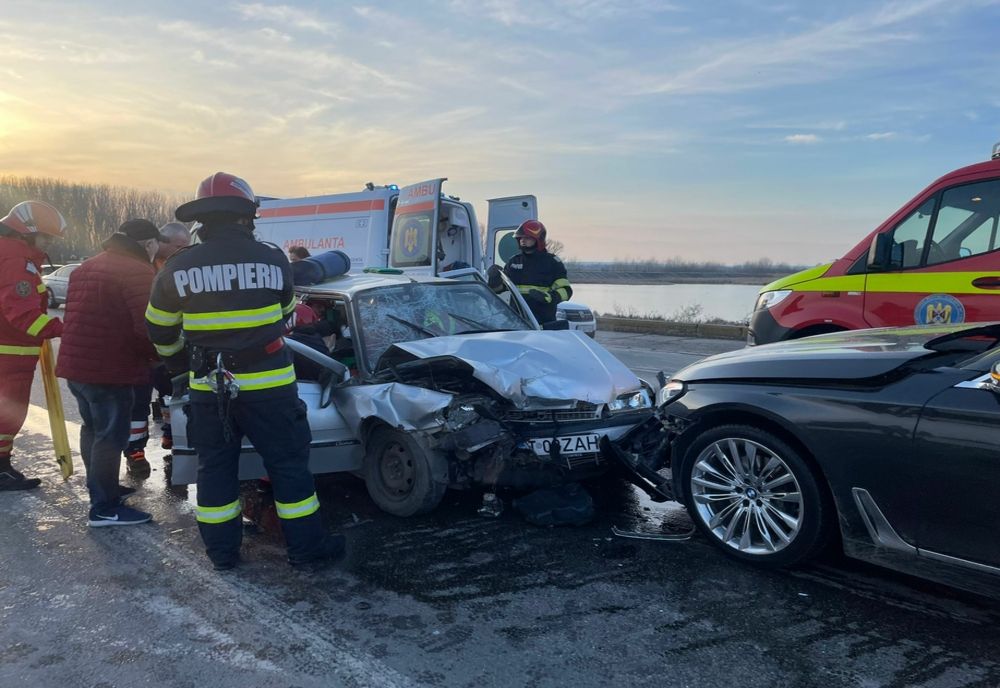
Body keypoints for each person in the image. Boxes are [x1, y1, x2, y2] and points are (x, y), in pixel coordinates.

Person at [146, 172, 343, 571]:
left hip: (210, 388)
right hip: (271, 386)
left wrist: (182, 365)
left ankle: (222, 554)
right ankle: (306, 551)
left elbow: (159, 329)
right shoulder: (272, 259)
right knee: (289, 468)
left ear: (202, 220)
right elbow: (287, 316)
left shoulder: (177, 267)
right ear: (246, 217)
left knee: (215, 470)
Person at [56, 219, 162, 525]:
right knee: (111, 436)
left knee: (92, 429)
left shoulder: (86, 267)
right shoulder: (137, 270)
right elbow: (147, 327)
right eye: (155, 245)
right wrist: (161, 357)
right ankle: (104, 507)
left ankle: (101, 488)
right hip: (110, 370)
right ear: (147, 244)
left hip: (79, 367)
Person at [0, 201, 68, 490]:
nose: (49, 242)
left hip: (10, 351)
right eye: (46, 236)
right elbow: (23, 314)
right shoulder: (17, 260)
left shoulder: (10, 254)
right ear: (27, 233)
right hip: (11, 354)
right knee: (7, 415)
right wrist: (61, 329)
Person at [125, 220, 193, 473]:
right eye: (179, 245)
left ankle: (172, 439)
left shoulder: (178, 266)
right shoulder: (145, 266)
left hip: (169, 348)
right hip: (145, 349)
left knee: (172, 398)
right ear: (162, 242)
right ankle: (135, 452)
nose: (184, 250)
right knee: (138, 403)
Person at [496, 220, 572, 324]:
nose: (523, 240)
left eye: (527, 238)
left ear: (538, 239)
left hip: (543, 321)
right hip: (517, 321)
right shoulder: (514, 261)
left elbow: (566, 291)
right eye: (521, 238)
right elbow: (501, 288)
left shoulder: (552, 262)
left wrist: (549, 297)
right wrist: (494, 280)